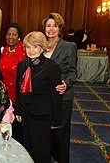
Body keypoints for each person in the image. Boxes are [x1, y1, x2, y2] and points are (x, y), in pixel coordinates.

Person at [15, 31, 62, 163]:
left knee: (41, 150)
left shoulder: (52, 67)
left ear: (42, 48)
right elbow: (18, 90)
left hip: (42, 115)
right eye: (28, 47)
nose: (31, 50)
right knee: (27, 147)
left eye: (35, 47)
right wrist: (18, 110)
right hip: (25, 113)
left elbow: (56, 95)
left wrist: (56, 120)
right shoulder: (22, 66)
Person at [42, 13, 77, 163]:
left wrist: (66, 84)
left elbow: (72, 72)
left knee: (61, 132)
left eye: (54, 26)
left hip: (62, 95)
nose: (51, 29)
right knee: (46, 129)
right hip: (44, 96)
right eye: (48, 26)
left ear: (60, 28)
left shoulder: (69, 46)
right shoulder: (40, 46)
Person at [0, 22, 26, 144]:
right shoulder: (5, 49)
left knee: (17, 125)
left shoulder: (24, 52)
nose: (10, 37)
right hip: (5, 93)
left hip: (18, 94)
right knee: (6, 122)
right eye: (8, 34)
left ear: (19, 36)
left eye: (14, 35)